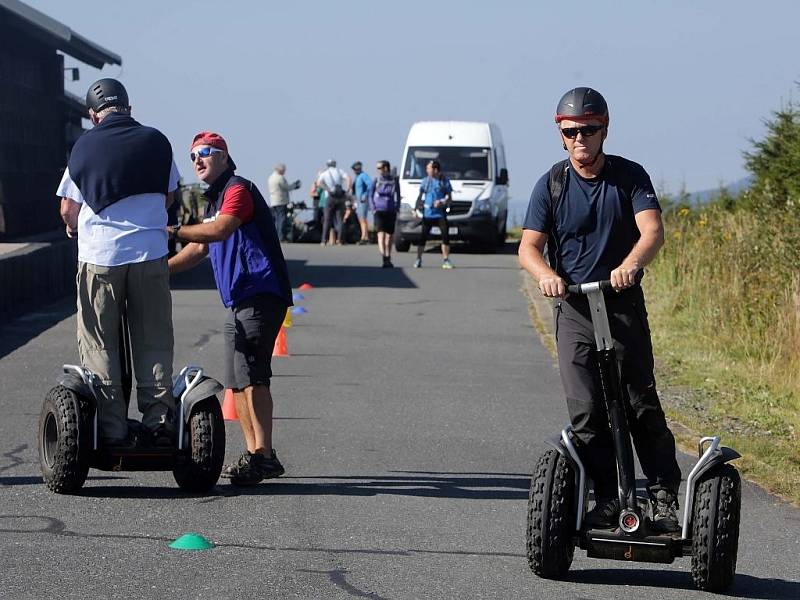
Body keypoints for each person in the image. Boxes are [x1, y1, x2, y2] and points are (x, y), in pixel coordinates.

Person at [517, 87, 681, 531]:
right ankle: (608, 496)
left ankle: (663, 495)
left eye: (588, 131)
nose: (579, 140)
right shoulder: (551, 183)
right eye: (570, 132)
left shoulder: (629, 177)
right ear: (561, 135)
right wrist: (545, 274)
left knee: (639, 403)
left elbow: (652, 232)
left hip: (621, 303)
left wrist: (629, 266)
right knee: (586, 410)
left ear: (604, 129)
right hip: (574, 308)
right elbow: (528, 247)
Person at [56, 78, 179, 447]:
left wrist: (72, 226)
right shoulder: (157, 142)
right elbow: (169, 194)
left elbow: (68, 207)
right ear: (129, 107)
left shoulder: (85, 147)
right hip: (151, 255)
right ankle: (159, 422)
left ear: (94, 115)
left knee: (100, 343)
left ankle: (112, 428)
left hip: (101, 258)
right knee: (153, 337)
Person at [167, 131, 292, 486]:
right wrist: (160, 271)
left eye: (205, 152)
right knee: (237, 382)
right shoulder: (214, 201)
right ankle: (256, 454)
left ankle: (263, 454)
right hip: (239, 301)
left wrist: (175, 229)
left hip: (259, 294)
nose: (197, 160)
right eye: (192, 155)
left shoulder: (237, 190)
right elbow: (199, 248)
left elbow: (220, 231)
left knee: (253, 375)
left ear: (223, 156)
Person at [414, 160, 453, 269]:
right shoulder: (425, 181)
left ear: (435, 170)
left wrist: (442, 202)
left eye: (428, 168)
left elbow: (449, 198)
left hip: (440, 214)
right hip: (428, 214)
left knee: (445, 236)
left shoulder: (444, 181)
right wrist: (415, 209)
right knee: (423, 237)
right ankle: (418, 259)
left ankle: (446, 260)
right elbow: (420, 196)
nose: (427, 170)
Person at [369, 160, 400, 267]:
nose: (377, 170)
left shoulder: (394, 180)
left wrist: (397, 207)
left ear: (386, 168)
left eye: (379, 168)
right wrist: (373, 208)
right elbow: (370, 194)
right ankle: (384, 257)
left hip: (391, 210)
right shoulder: (376, 179)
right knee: (381, 235)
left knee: (389, 236)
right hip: (379, 210)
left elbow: (398, 194)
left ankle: (388, 254)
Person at [317, 159, 351, 245]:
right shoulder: (340, 171)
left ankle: (324, 240)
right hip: (340, 197)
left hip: (330, 197)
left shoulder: (325, 173)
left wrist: (327, 189)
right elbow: (348, 178)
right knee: (340, 219)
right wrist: (348, 188)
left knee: (327, 219)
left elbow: (319, 183)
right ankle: (340, 240)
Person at [267, 163, 301, 242]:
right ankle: (281, 237)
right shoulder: (280, 178)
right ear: (281, 170)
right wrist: (295, 185)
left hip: (273, 201)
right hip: (281, 201)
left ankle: (277, 236)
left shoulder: (271, 177)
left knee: (277, 219)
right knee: (282, 219)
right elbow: (287, 187)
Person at [351, 161, 372, 244]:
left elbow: (370, 185)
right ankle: (364, 235)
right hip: (358, 201)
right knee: (361, 219)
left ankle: (365, 237)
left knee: (363, 218)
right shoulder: (357, 177)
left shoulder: (363, 176)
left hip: (363, 201)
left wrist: (365, 195)